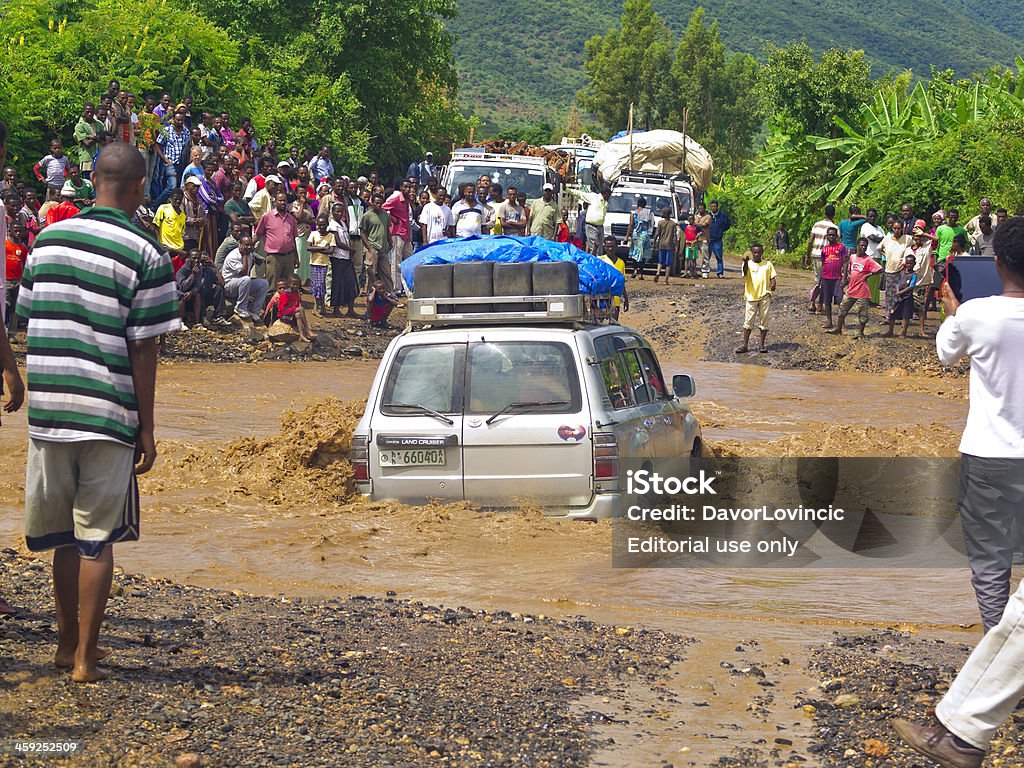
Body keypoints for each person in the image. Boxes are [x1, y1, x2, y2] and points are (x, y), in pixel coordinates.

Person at [16, 143, 180, 682]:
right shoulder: (146, 252)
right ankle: (85, 658)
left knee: (62, 536)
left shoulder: (47, 240)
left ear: (92, 181)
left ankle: (65, 648)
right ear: (138, 188)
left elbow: (25, 317)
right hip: (106, 414)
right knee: (96, 540)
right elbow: (143, 348)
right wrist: (147, 427)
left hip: (47, 413)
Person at [893, 216, 1024, 768]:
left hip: (991, 457)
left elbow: (947, 355)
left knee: (992, 567)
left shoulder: (974, 314)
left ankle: (994, 659)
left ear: (996, 263)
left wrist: (953, 310)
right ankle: (995, 675)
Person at [827, 236, 881, 338]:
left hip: (862, 291)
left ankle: (861, 332)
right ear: (857, 246)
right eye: (862, 246)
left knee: (862, 313)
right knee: (842, 309)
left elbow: (879, 269)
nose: (863, 248)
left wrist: (868, 275)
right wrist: (846, 279)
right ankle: (838, 329)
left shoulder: (868, 259)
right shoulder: (853, 257)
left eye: (865, 246)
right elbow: (850, 270)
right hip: (851, 289)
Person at [737, 243, 776, 354]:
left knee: (764, 320)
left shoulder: (768, 264)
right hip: (751, 296)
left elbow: (772, 277)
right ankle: (745, 345)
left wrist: (773, 284)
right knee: (748, 321)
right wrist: (745, 262)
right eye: (754, 252)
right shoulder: (747, 264)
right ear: (751, 253)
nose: (757, 254)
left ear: (762, 253)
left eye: (758, 252)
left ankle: (762, 345)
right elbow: (744, 273)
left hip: (765, 295)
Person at [255, 191, 299, 287]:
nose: (283, 203)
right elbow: (258, 234)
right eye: (280, 200)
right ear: (275, 202)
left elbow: (293, 239)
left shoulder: (291, 219)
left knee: (288, 286)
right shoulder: (267, 217)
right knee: (272, 285)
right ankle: (270, 302)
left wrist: (296, 257)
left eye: (285, 201)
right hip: (274, 257)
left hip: (289, 257)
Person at [220, 235, 269, 321]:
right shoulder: (234, 256)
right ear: (240, 245)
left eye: (251, 245)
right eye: (246, 245)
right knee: (246, 279)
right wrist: (244, 257)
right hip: (229, 286)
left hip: (242, 283)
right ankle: (240, 308)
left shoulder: (249, 254)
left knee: (264, 283)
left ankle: (254, 311)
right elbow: (243, 273)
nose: (249, 247)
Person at [327, 202, 357, 317]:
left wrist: (350, 253)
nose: (339, 214)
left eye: (341, 211)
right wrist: (351, 249)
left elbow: (347, 239)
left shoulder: (343, 224)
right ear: (333, 212)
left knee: (350, 283)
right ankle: (336, 309)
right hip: (337, 257)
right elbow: (338, 242)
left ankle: (350, 309)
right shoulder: (332, 225)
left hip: (346, 257)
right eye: (337, 211)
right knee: (337, 284)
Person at [382, 180, 412, 294]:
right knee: (396, 261)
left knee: (409, 258)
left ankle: (407, 286)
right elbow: (383, 208)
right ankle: (396, 287)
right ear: (401, 187)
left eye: (409, 187)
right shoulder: (395, 198)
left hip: (406, 233)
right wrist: (391, 218)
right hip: (397, 232)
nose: (408, 189)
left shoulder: (407, 200)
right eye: (405, 187)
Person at [805, 204, 837, 313]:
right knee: (823, 281)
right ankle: (816, 303)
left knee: (818, 279)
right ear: (834, 214)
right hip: (827, 257)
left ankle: (814, 303)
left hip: (815, 255)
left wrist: (807, 255)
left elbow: (810, 241)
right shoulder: (834, 228)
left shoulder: (816, 225)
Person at [881, 219, 913, 323]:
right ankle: (888, 316)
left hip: (901, 271)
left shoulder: (907, 239)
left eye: (899, 228)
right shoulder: (887, 238)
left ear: (902, 228)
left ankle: (898, 316)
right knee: (889, 295)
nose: (897, 230)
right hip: (890, 270)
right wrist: (886, 256)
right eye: (895, 228)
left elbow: (915, 244)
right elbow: (879, 248)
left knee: (899, 294)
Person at [264, 276, 314, 342]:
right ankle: (307, 330)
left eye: (297, 284)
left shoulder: (296, 292)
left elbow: (298, 303)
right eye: (293, 284)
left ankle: (301, 335)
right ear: (289, 284)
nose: (295, 286)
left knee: (298, 314)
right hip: (283, 314)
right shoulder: (284, 294)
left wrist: (295, 309)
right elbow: (281, 309)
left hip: (291, 313)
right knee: (301, 309)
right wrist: (294, 309)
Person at [360, 192, 392, 292]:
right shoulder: (367, 215)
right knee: (371, 272)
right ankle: (371, 294)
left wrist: (390, 243)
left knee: (386, 272)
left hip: (383, 248)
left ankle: (389, 294)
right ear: (372, 203)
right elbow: (362, 232)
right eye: (376, 203)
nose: (378, 205)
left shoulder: (385, 215)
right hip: (372, 247)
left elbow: (387, 230)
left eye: (380, 203)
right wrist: (369, 247)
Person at [881, 253, 917, 338]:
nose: (909, 265)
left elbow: (911, 286)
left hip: (907, 297)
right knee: (893, 313)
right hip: (899, 297)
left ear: (914, 264)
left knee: (906, 316)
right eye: (907, 263)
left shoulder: (914, 275)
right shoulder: (902, 272)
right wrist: (897, 291)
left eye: (911, 263)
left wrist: (900, 293)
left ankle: (903, 333)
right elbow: (898, 282)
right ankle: (890, 331)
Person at [818, 227, 847, 330]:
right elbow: (823, 264)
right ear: (827, 236)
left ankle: (841, 323)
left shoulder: (841, 247)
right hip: (826, 278)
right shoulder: (824, 249)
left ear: (837, 236)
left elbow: (844, 262)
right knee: (827, 301)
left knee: (840, 300)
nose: (831, 237)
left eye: (833, 235)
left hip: (838, 278)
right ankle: (829, 321)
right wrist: (820, 279)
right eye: (829, 235)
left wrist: (845, 277)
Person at [307, 214, 335, 316]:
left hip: (324, 264)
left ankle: (320, 307)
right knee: (317, 285)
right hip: (314, 263)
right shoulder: (313, 234)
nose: (321, 227)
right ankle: (316, 307)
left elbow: (331, 251)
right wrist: (323, 248)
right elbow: (309, 248)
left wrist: (317, 248)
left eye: (323, 225)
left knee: (321, 285)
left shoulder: (331, 236)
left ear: (327, 225)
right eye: (319, 225)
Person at [597, 235, 629, 320]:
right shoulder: (600, 260)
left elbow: (622, 283)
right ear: (604, 247)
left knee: (614, 324)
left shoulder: (621, 263)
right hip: (601, 298)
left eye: (612, 247)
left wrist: (626, 299)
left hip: (616, 300)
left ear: (616, 247)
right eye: (608, 247)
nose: (610, 249)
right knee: (598, 325)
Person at [74, 104, 105, 179]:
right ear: (83, 112)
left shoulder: (99, 124)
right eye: (87, 112)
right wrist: (98, 138)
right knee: (88, 182)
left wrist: (91, 137)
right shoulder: (80, 126)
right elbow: (87, 143)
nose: (90, 114)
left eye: (91, 112)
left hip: (99, 158)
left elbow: (104, 138)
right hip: (87, 160)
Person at [628, 196, 653, 279]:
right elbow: (651, 224)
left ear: (637, 204)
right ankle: (641, 273)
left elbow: (631, 225)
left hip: (636, 234)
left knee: (634, 253)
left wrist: (627, 236)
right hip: (644, 235)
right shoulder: (648, 213)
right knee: (643, 254)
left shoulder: (633, 213)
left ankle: (635, 269)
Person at [582, 185, 612, 255]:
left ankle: (599, 261)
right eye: (609, 195)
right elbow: (579, 194)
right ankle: (594, 263)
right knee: (594, 247)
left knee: (600, 248)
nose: (609, 197)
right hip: (591, 226)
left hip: (600, 227)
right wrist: (566, 189)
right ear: (606, 193)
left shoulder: (605, 202)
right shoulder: (594, 197)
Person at [707, 200, 731, 278]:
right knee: (707, 257)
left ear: (717, 207)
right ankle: (705, 272)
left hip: (717, 240)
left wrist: (721, 230)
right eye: (712, 206)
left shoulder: (722, 216)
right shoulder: (708, 215)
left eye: (715, 206)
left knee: (719, 257)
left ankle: (720, 272)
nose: (713, 208)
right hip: (709, 239)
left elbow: (728, 224)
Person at [653, 207, 678, 284]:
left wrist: (654, 242)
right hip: (670, 245)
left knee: (660, 261)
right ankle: (666, 280)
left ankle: (658, 272)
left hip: (661, 244)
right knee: (668, 263)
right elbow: (675, 236)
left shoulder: (660, 223)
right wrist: (676, 245)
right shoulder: (673, 224)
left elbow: (657, 233)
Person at [694, 203, 712, 278]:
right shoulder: (696, 216)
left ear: (705, 209)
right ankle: (693, 270)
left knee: (705, 256)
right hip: (695, 239)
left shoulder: (708, 217)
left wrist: (696, 224)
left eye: (701, 209)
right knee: (693, 256)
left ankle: (705, 271)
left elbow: (705, 225)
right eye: (699, 208)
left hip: (704, 238)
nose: (700, 210)